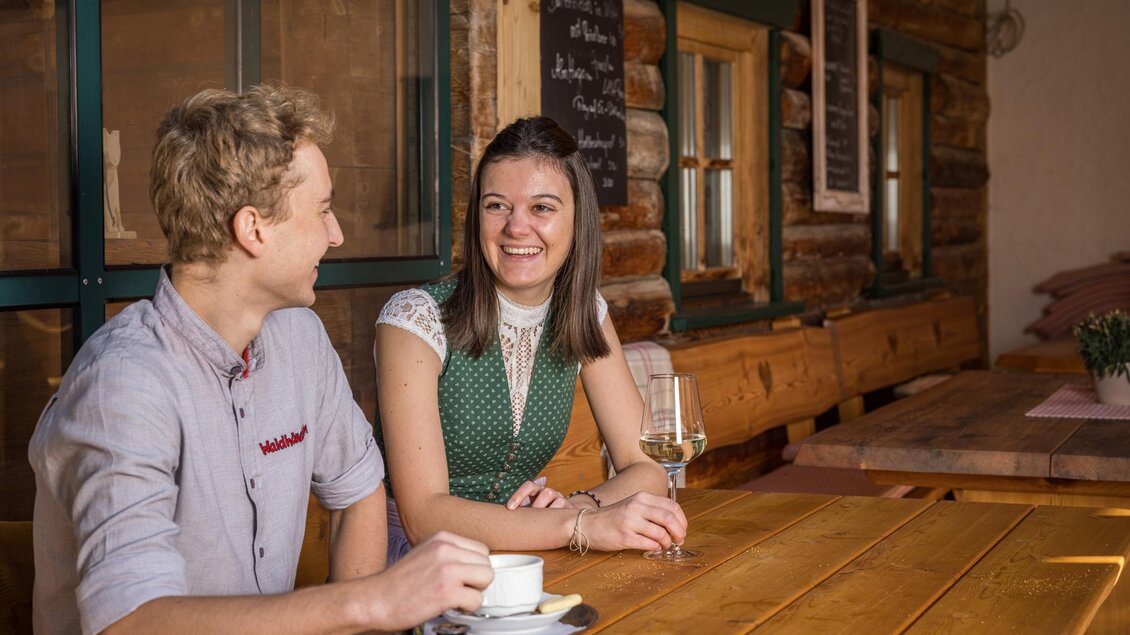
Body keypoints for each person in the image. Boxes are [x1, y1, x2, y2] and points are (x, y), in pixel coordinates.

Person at [28, 85, 492, 635]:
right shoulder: (122, 387)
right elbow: (128, 622)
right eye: (322, 211)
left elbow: (358, 492)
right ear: (252, 230)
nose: (336, 233)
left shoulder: (300, 336)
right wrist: (370, 603)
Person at [374, 116, 688, 562]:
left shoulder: (584, 312)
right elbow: (424, 516)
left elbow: (647, 466)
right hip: (414, 563)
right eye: (497, 205)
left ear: (578, 220)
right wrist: (578, 526)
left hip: (525, 551)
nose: (516, 228)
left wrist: (582, 506)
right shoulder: (414, 319)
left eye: (542, 207)